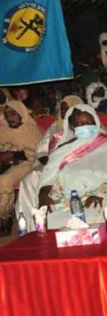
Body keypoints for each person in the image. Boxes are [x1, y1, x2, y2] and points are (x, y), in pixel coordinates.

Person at [37, 104, 107, 228]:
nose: (85, 126)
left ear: (96, 121)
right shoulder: (64, 149)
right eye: (80, 124)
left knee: (93, 211)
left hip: (101, 192)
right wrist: (43, 194)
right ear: (72, 126)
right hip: (67, 195)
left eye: (89, 122)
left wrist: (100, 193)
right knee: (44, 214)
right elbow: (49, 175)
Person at [0, 101, 40, 235]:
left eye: (13, 114)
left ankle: (5, 219)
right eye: (6, 115)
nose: (10, 118)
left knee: (4, 181)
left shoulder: (31, 129)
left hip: (27, 163)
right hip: (6, 163)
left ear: (21, 113)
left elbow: (35, 153)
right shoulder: (3, 130)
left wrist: (12, 154)